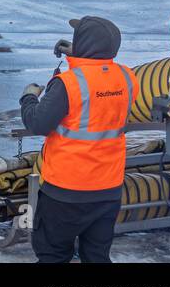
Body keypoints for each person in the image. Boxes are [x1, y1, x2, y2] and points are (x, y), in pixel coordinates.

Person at [21, 16, 137, 263]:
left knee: (53, 255)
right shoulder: (127, 78)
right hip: (108, 191)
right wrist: (79, 54)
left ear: (86, 44)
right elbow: (100, 81)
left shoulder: (67, 84)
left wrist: (29, 97)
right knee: (96, 256)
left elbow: (38, 123)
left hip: (66, 192)